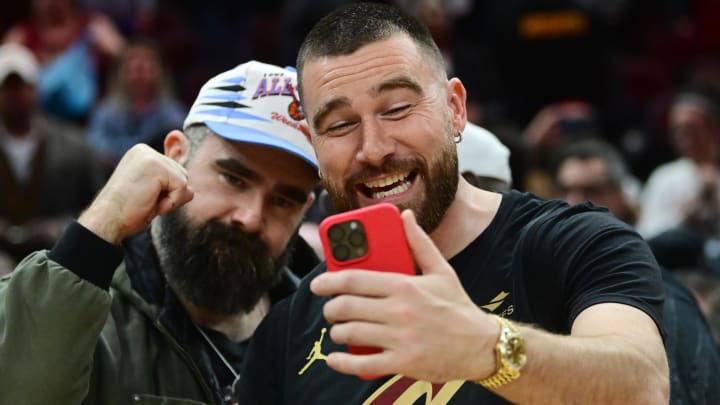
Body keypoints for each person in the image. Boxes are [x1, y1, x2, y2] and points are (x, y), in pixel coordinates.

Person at [237, 3, 669, 404]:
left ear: (455, 108)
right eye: (341, 124)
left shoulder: (572, 242)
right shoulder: (288, 328)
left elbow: (643, 384)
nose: (373, 148)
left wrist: (486, 347)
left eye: (398, 109)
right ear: (315, 146)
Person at [0, 60, 319, 404]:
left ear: (305, 208)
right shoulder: (86, 314)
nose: (251, 217)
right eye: (234, 179)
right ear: (175, 155)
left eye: (284, 201)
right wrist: (99, 225)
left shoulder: (328, 329)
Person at [553, 138, 720, 404]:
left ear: (619, 195)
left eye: (590, 190)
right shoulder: (545, 277)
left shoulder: (659, 286)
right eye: (565, 189)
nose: (574, 202)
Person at [0, 42, 103, 264]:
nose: (14, 95)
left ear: (35, 89)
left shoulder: (74, 145)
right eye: (7, 88)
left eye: (20, 87)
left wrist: (59, 226)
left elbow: (99, 204)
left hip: (59, 256)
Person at [87, 38, 185, 176]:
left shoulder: (173, 112)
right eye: (132, 61)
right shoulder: (105, 112)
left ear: (160, 71)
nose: (139, 66)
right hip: (113, 177)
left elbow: (179, 151)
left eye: (148, 60)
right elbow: (95, 149)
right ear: (120, 72)